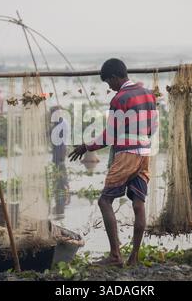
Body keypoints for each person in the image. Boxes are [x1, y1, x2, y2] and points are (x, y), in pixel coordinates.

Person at [68, 58, 157, 267]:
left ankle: (116, 256)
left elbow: (110, 135)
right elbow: (152, 128)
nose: (110, 87)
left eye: (109, 83)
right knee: (138, 203)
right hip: (145, 152)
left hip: (127, 154)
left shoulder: (120, 98)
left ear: (115, 77)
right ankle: (134, 257)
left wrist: (86, 147)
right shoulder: (148, 93)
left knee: (104, 201)